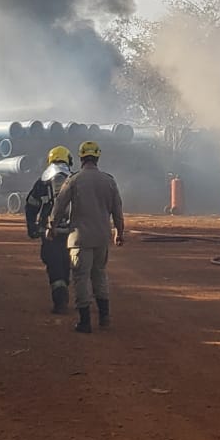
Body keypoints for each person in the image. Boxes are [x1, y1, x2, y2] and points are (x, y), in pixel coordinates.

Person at [50, 140, 124, 333]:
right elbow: (117, 210)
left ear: (81, 158)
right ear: (97, 157)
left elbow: (59, 206)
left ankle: (84, 322)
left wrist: (52, 226)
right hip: (102, 238)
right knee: (99, 274)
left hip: (80, 238)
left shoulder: (74, 180)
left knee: (81, 277)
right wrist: (119, 232)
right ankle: (104, 317)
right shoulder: (109, 180)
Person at [25, 145, 75, 314]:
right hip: (72, 232)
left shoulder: (42, 182)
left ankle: (60, 301)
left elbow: (31, 206)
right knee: (68, 263)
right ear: (69, 160)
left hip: (48, 232)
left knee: (54, 266)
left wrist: (32, 227)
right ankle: (74, 296)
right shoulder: (75, 179)